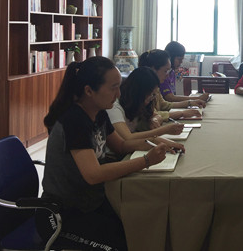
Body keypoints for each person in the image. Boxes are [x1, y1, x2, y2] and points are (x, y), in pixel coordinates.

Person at [36, 57, 169, 251]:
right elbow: (93, 174)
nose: (118, 94)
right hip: (61, 215)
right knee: (123, 243)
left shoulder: (98, 113)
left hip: (91, 204)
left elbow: (121, 146)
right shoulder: (74, 120)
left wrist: (157, 143)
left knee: (140, 227)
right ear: (89, 91)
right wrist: (147, 160)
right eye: (113, 88)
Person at [107, 67, 185, 153]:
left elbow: (157, 115)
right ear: (139, 92)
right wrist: (163, 131)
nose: (152, 98)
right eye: (151, 94)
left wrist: (154, 119)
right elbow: (128, 138)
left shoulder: (140, 103)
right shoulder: (114, 107)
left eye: (154, 95)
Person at [138, 49, 203, 121]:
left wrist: (189, 103)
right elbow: (149, 115)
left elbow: (164, 105)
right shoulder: (141, 88)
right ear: (153, 69)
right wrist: (181, 113)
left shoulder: (155, 87)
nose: (167, 75)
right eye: (165, 71)